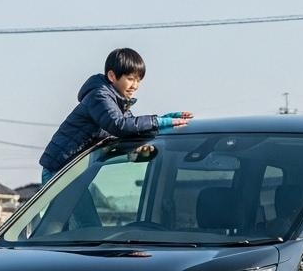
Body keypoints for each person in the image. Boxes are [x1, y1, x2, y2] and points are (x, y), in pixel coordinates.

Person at [39, 47, 193, 183]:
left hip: (73, 170)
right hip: (59, 170)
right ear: (112, 76)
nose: (135, 85)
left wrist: (166, 119)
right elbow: (120, 125)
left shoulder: (116, 100)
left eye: (138, 80)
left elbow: (132, 126)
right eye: (130, 79)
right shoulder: (99, 96)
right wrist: (159, 122)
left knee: (85, 217)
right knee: (79, 217)